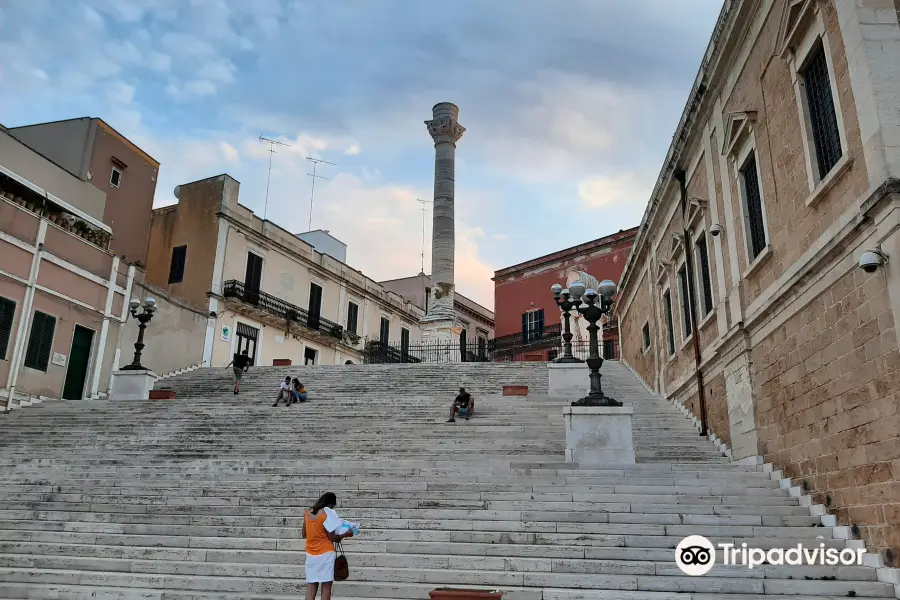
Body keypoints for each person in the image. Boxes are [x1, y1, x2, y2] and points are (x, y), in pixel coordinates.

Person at [302, 492, 354, 600]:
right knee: (326, 588)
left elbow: (304, 534)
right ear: (330, 504)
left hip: (311, 555)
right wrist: (345, 534)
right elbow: (332, 538)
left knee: (311, 587)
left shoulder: (307, 513)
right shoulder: (326, 515)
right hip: (326, 554)